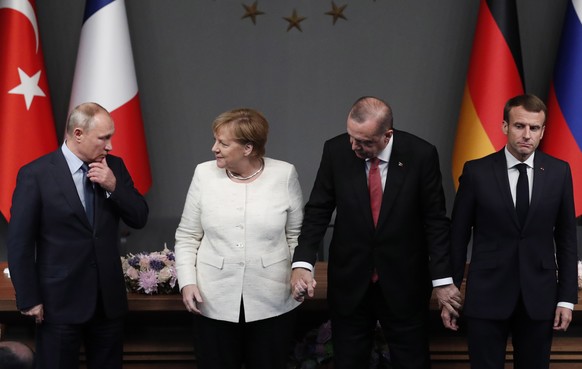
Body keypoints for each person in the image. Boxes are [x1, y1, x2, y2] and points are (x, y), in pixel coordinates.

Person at [290, 96, 461, 369]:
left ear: (387, 135)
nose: (354, 146)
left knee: (412, 360)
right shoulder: (336, 151)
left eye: (365, 142)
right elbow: (318, 211)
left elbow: (435, 221)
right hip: (350, 278)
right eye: (351, 137)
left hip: (404, 280)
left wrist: (441, 280)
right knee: (349, 361)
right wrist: (302, 262)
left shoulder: (420, 154)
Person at [7, 102, 149, 369]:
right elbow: (19, 243)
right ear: (78, 134)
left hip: (107, 302)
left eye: (111, 137)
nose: (110, 146)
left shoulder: (114, 167)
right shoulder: (35, 174)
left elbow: (139, 217)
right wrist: (29, 297)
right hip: (57, 302)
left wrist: (113, 186)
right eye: (103, 138)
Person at [446, 94, 578, 369]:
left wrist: (566, 298)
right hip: (487, 294)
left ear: (543, 131)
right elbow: (458, 237)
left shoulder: (559, 172)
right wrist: (450, 289)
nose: (526, 134)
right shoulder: (476, 172)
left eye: (534, 128)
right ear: (505, 126)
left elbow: (566, 239)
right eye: (519, 126)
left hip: (539, 297)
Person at [174, 108, 304, 369]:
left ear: (248, 148)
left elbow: (295, 235)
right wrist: (187, 282)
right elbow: (187, 236)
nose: (214, 148)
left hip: (273, 300)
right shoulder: (203, 174)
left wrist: (298, 271)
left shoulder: (284, 174)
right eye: (215, 140)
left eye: (223, 143)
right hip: (213, 300)